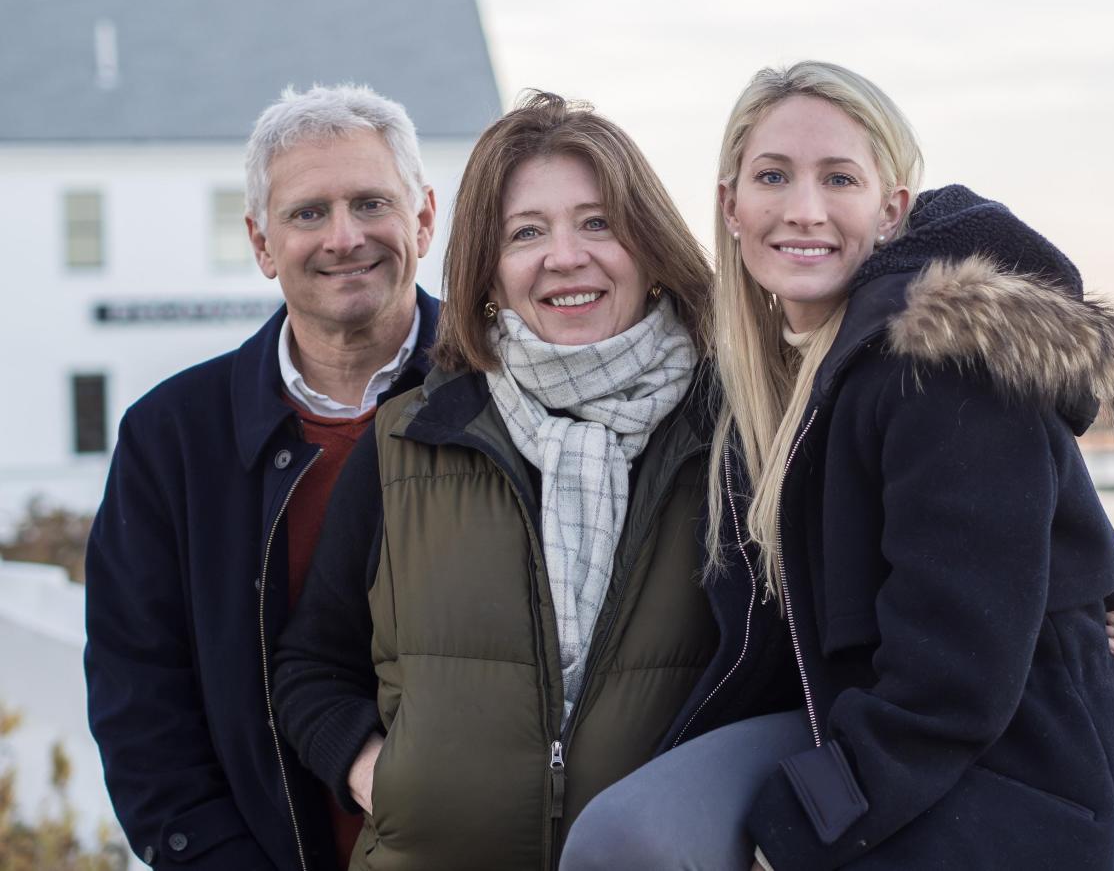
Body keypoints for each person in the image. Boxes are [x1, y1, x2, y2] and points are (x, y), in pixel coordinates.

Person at [561, 61, 1114, 871]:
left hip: (1006, 790)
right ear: (731, 206)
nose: (803, 209)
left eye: (838, 178)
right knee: (624, 832)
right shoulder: (775, 387)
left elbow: (952, 678)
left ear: (890, 213)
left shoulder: (942, 364)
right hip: (878, 754)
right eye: (773, 176)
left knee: (627, 840)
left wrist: (798, 832)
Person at [272, 91, 734, 870]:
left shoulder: (733, 435)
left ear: (650, 247)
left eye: (598, 222)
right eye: (527, 232)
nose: (565, 256)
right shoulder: (407, 438)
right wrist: (380, 776)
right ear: (487, 270)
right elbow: (311, 666)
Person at [84, 84, 439, 871]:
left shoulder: (507, 397)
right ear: (260, 242)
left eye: (371, 203)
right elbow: (142, 707)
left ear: (423, 217)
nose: (344, 237)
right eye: (308, 213)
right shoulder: (168, 439)